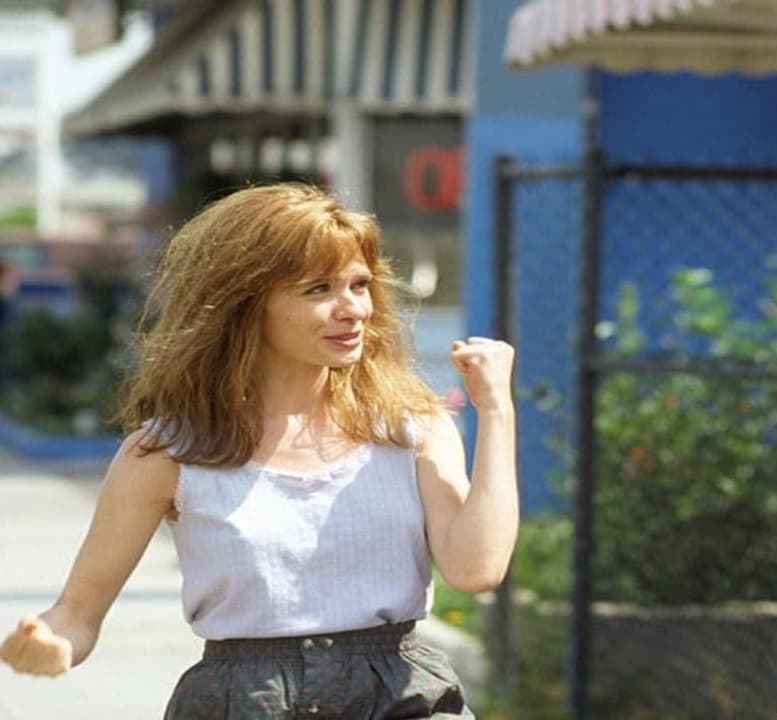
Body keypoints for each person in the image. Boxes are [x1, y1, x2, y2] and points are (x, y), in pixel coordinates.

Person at [0, 183, 517, 719]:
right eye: (318, 289)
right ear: (245, 303)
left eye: (359, 285)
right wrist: (51, 642)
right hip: (245, 701)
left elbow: (476, 568)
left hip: (400, 697)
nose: (353, 309)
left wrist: (497, 410)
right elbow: (78, 611)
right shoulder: (168, 452)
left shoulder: (409, 427)